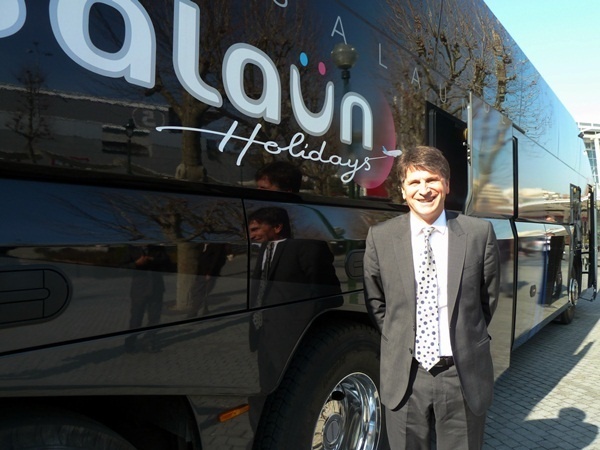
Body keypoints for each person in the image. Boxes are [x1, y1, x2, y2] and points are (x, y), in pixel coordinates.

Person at [363, 146, 500, 449]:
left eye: (432, 180)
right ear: (402, 190)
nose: (423, 190)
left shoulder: (479, 234)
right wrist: (401, 338)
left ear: (447, 185)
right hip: (406, 376)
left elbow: (486, 301)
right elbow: (376, 303)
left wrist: (462, 336)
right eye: (414, 182)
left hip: (461, 376)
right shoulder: (380, 238)